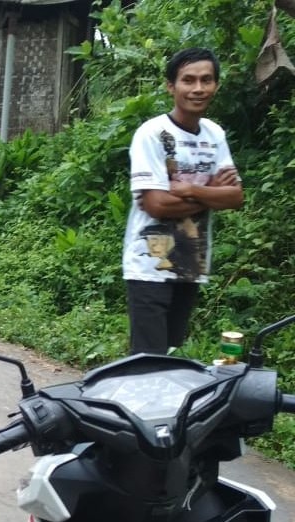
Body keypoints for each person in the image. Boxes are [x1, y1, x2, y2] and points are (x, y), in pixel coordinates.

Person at [124, 47, 243, 355]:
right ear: (171, 86)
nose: (198, 88)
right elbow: (156, 206)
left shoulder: (214, 134)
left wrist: (189, 190)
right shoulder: (151, 133)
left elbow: (235, 196)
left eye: (206, 80)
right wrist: (211, 191)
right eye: (188, 80)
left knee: (172, 353)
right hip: (150, 263)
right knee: (147, 358)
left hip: (191, 260)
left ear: (216, 84)